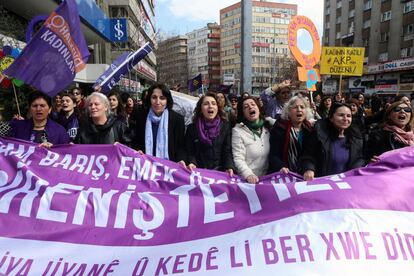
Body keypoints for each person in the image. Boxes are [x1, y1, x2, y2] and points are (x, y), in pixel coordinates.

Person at [299, 102, 365, 180]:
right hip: (323, 184)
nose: (345, 119)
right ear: (331, 118)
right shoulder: (319, 135)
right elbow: (308, 156)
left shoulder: (356, 138)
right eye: (341, 115)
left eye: (349, 116)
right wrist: (309, 168)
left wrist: (371, 162)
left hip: (347, 185)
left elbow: (359, 160)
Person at [133, 83, 185, 162]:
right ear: (149, 99)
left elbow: (181, 146)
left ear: (167, 100)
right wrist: (137, 150)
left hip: (169, 167)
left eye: (162, 98)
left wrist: (181, 160)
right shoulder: (141, 117)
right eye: (154, 97)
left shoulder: (177, 119)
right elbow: (136, 141)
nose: (157, 102)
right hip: (145, 164)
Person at [184, 93, 234, 174]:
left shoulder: (225, 127)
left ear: (217, 108)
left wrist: (229, 166)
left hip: (219, 174)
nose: (210, 106)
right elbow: (190, 151)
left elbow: (227, 151)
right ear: (200, 109)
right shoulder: (191, 129)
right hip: (198, 173)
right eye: (206, 104)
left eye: (213, 104)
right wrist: (192, 162)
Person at [268, 96, 313, 174]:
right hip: (283, 173)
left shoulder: (309, 129)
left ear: (306, 111)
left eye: (302, 107)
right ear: (288, 111)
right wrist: (281, 166)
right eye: (295, 107)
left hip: (304, 174)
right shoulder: (279, 128)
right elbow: (273, 155)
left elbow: (311, 154)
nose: (299, 110)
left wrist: (309, 168)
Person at [232, 96, 271, 183]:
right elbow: (238, 158)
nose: (250, 107)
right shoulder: (237, 131)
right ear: (243, 113)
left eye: (253, 104)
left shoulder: (268, 126)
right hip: (247, 181)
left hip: (266, 180)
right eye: (246, 107)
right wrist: (248, 174)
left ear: (258, 108)